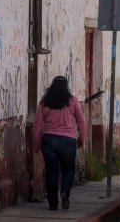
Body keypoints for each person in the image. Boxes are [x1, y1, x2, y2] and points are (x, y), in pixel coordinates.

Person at [33, 76, 85, 211]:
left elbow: (37, 125)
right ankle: (65, 191)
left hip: (48, 140)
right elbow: (81, 120)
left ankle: (52, 204)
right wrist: (82, 138)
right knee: (68, 169)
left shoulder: (44, 102)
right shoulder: (72, 101)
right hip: (67, 141)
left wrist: (36, 143)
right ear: (66, 87)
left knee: (51, 171)